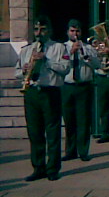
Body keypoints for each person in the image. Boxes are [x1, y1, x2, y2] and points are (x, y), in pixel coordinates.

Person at [15, 16, 70, 181]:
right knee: (35, 132)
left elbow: (65, 69)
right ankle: (38, 167)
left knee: (52, 131)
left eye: (43, 29)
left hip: (50, 91)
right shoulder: (26, 50)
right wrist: (24, 70)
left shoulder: (58, 48)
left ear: (49, 31)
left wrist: (46, 61)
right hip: (32, 92)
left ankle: (53, 168)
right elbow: (16, 72)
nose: (39, 33)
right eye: (37, 29)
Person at [61, 19, 100, 162]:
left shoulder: (88, 48)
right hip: (68, 86)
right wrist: (72, 53)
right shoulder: (63, 47)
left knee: (84, 120)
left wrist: (86, 56)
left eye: (77, 31)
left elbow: (97, 65)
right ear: (67, 32)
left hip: (84, 86)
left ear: (81, 32)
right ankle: (70, 151)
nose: (75, 34)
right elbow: (61, 63)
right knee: (69, 120)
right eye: (72, 31)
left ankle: (83, 151)